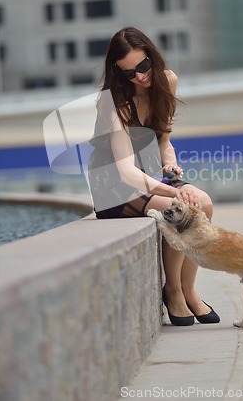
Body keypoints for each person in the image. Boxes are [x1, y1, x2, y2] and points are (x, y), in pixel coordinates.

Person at [88, 26, 220, 326]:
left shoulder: (168, 80)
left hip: (152, 173)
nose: (140, 77)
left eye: (143, 66)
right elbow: (125, 171)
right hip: (116, 186)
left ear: (152, 56)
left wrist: (170, 166)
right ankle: (173, 291)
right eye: (128, 73)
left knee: (205, 204)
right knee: (185, 211)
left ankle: (187, 288)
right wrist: (173, 193)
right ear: (118, 73)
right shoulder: (115, 106)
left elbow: (164, 142)